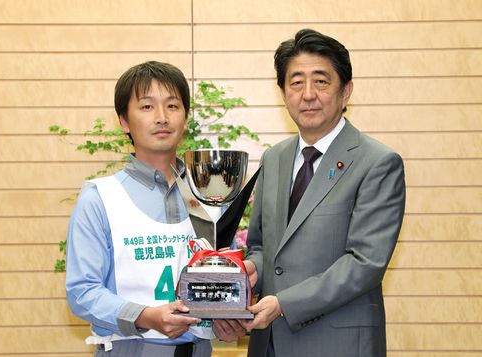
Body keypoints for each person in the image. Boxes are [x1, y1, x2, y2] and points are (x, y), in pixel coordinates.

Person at [237, 28, 406, 356]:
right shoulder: (274, 158)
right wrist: (252, 269)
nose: (308, 94)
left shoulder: (377, 163)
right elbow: (261, 244)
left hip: (339, 344)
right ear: (283, 93)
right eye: (296, 82)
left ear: (346, 92)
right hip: (269, 343)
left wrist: (283, 303)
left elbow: (364, 263)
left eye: (321, 81)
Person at [65, 61, 217, 356]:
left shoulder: (208, 197)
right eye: (147, 107)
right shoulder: (99, 198)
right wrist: (145, 316)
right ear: (124, 121)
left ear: (185, 117)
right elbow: (82, 292)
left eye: (172, 106)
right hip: (131, 349)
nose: (162, 117)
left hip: (199, 349)